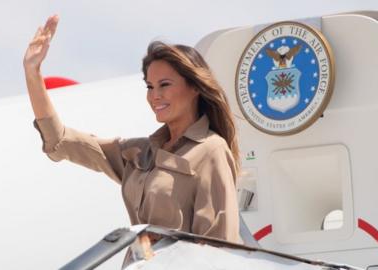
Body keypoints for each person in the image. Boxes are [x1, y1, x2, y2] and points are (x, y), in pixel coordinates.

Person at [23, 15, 242, 254]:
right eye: (149, 86)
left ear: (195, 87)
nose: (154, 95)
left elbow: (219, 247)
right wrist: (33, 72)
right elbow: (60, 140)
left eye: (165, 85)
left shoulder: (211, 150)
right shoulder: (140, 152)